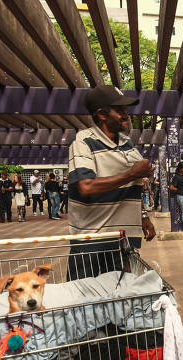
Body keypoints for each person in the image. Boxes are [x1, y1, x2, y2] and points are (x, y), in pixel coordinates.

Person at [67, 84, 156, 280]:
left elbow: (132, 184)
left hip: (120, 240)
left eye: (126, 110)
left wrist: (143, 214)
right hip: (91, 241)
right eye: (120, 110)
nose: (126, 115)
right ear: (102, 115)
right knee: (82, 300)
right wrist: (132, 174)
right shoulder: (83, 143)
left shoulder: (126, 144)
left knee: (120, 301)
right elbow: (86, 186)